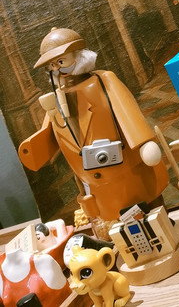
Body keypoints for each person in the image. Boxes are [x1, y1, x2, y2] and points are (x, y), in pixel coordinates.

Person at [18, 28, 168, 228]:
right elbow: (53, 131)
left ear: (79, 56)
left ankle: (163, 229)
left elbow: (125, 109)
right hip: (94, 179)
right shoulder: (56, 98)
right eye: (52, 65)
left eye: (61, 62)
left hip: (127, 166)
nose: (57, 69)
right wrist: (33, 149)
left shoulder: (103, 81)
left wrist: (143, 142)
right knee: (120, 217)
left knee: (149, 201)